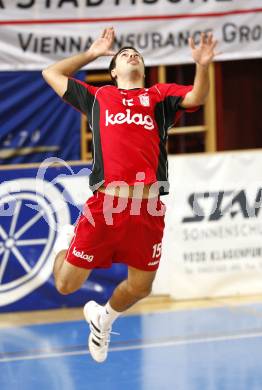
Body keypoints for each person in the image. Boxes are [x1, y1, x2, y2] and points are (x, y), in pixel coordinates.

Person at [42, 27, 218, 363]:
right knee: (66, 285)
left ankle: (104, 319)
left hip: (149, 207)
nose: (131, 54)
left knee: (141, 288)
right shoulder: (98, 97)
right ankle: (66, 240)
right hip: (106, 205)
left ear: (143, 67)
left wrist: (203, 66)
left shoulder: (159, 97)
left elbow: (196, 97)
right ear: (113, 71)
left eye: (136, 53)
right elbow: (50, 72)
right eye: (123, 54)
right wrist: (92, 53)